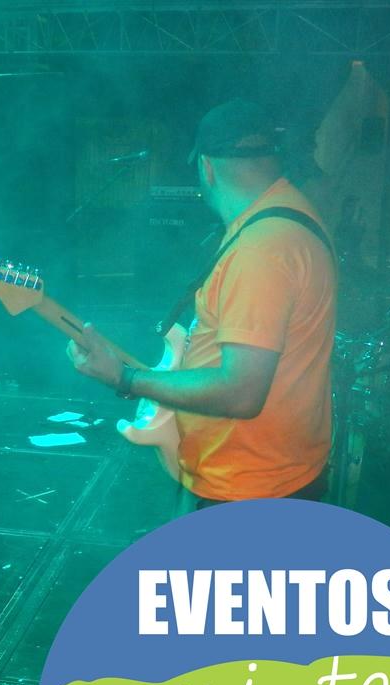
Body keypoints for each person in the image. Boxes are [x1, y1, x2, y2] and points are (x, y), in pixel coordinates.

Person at [68, 99, 336, 507]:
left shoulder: (260, 249)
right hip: (276, 473)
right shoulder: (293, 216)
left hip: (246, 488)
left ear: (206, 167)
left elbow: (241, 392)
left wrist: (125, 378)